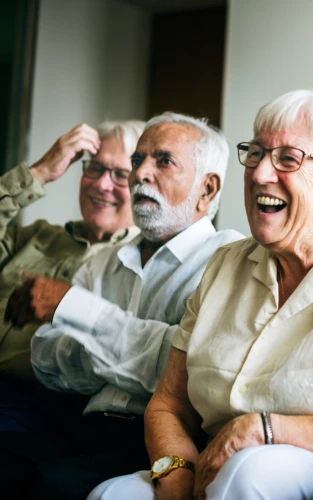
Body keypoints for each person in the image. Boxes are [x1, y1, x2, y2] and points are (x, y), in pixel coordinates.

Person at [90, 90, 313, 500]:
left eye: (287, 159)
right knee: (112, 494)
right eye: (256, 153)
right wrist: (175, 470)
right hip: (214, 467)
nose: (260, 173)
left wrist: (261, 429)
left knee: (250, 471)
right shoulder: (225, 265)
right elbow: (168, 405)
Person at [1, 112, 243, 499]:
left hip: (159, 441)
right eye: (138, 160)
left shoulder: (228, 259)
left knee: (55, 486)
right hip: (81, 423)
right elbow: (47, 360)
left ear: (207, 189)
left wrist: (76, 311)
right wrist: (131, 347)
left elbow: (186, 370)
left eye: (162, 161)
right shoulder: (104, 261)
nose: (140, 174)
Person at [0, 121, 142, 382]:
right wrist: (39, 173)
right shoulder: (35, 236)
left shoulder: (141, 264)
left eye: (121, 175)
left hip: (35, 404)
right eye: (95, 168)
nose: (101, 185)